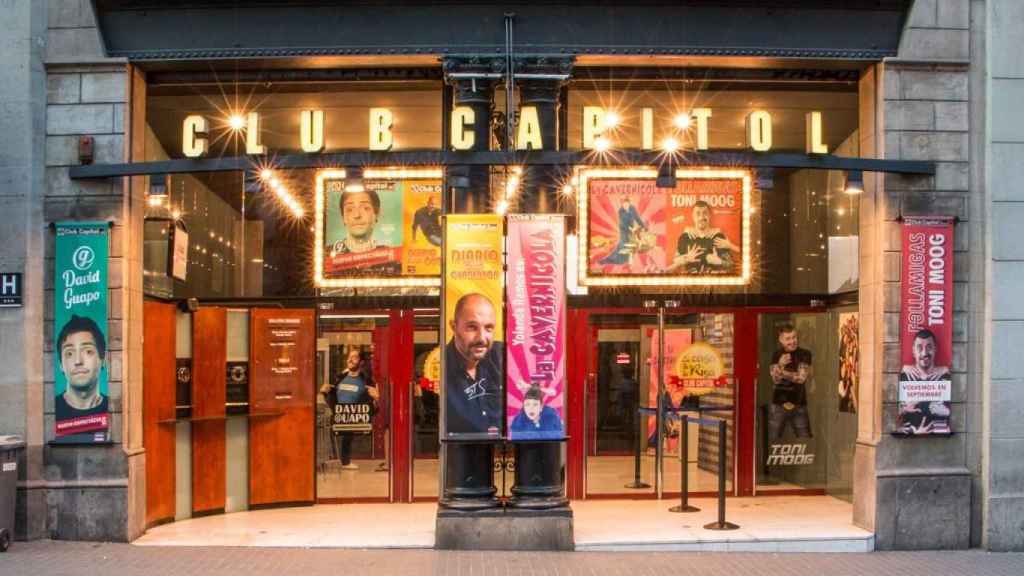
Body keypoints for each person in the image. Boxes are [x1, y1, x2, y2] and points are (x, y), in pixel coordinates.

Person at [444, 293, 504, 436]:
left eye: (488, 328)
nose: (481, 338)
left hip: (502, 453)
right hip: (458, 452)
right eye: (472, 327)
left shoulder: (504, 357)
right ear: (453, 326)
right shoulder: (442, 365)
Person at [320, 347, 379, 470]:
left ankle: (345, 461)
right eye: (349, 357)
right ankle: (334, 460)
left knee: (347, 434)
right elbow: (331, 396)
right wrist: (324, 392)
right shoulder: (340, 377)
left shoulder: (366, 380)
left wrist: (376, 399)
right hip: (336, 417)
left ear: (361, 362)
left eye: (354, 357)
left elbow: (373, 407)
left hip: (353, 420)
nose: (350, 360)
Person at [55, 315, 109, 425]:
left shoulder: (112, 407)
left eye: (88, 351)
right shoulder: (52, 407)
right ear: (61, 364)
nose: (78, 361)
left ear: (103, 359)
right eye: (69, 353)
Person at [897, 329, 952, 434]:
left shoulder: (944, 377)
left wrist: (945, 411)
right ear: (913, 351)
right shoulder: (905, 376)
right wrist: (904, 410)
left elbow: (955, 413)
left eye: (929, 347)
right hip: (909, 441)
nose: (924, 353)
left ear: (935, 349)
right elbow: (892, 416)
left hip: (939, 441)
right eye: (919, 348)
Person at [767, 323, 813, 441]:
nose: (792, 341)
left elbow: (801, 378)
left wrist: (780, 370)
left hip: (799, 404)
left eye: (794, 337)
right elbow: (775, 380)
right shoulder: (776, 355)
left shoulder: (805, 354)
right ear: (781, 340)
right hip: (778, 404)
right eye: (788, 339)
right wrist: (781, 364)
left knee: (805, 441)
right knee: (772, 441)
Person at [671, 200, 739, 274]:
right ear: (693, 216)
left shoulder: (718, 237)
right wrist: (685, 259)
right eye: (698, 213)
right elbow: (675, 261)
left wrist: (719, 261)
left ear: (709, 215)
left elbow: (731, 265)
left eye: (705, 213)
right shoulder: (686, 236)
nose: (701, 217)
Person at [600, 195, 647, 265]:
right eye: (624, 203)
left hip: (632, 230)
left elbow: (637, 218)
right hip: (624, 230)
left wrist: (643, 226)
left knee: (629, 245)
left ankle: (623, 260)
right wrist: (631, 229)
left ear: (629, 202)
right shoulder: (620, 211)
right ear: (622, 204)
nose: (625, 205)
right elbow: (623, 224)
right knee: (623, 244)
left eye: (627, 203)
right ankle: (610, 260)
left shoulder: (632, 208)